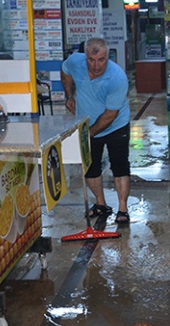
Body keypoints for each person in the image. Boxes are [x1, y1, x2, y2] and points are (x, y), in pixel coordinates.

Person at [61, 37, 131, 223]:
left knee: (120, 165)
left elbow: (110, 115)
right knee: (90, 167)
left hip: (116, 124)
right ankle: (101, 204)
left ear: (108, 56)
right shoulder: (76, 62)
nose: (96, 65)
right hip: (87, 121)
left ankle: (122, 208)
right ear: (85, 57)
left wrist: (89, 134)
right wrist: (69, 96)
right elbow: (65, 70)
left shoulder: (117, 77)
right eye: (91, 60)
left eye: (101, 60)